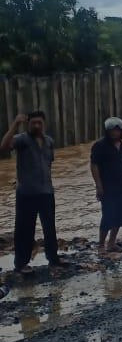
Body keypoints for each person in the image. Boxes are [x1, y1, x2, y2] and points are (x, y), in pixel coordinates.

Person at [0, 111, 66, 274]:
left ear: (44, 124)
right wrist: (15, 124)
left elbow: (48, 165)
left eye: (39, 123)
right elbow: (4, 146)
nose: (36, 126)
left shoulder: (49, 141)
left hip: (46, 192)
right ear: (28, 124)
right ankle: (21, 264)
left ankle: (53, 259)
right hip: (26, 194)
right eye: (33, 123)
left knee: (50, 228)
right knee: (24, 229)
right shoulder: (22, 139)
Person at [90, 117, 122, 254]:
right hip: (108, 187)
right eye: (112, 130)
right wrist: (99, 186)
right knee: (108, 215)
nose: (115, 133)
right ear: (107, 131)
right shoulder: (100, 146)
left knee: (121, 215)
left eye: (118, 130)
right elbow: (94, 165)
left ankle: (112, 243)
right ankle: (101, 245)